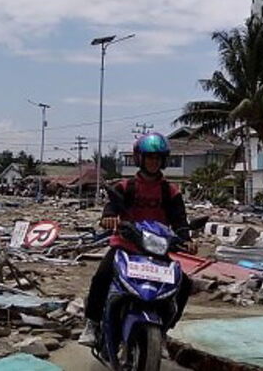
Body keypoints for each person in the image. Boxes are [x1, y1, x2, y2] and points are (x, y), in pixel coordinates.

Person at [78, 132, 196, 346]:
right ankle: (92, 324)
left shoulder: (170, 191)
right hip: (126, 246)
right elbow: (111, 206)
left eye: (158, 158)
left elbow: (180, 221)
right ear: (140, 158)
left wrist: (186, 239)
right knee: (102, 276)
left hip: (156, 251)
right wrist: (108, 218)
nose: (153, 161)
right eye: (150, 157)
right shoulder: (126, 187)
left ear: (164, 160)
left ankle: (164, 331)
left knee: (184, 284)